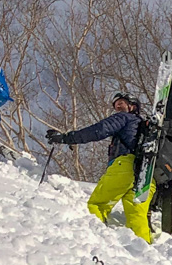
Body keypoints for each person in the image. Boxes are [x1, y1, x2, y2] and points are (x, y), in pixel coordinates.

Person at [46, 93, 154, 244]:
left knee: (97, 204)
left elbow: (99, 130)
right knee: (137, 215)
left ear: (132, 106)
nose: (117, 106)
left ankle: (95, 243)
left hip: (124, 166)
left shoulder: (125, 117)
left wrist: (67, 138)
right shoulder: (145, 128)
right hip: (145, 173)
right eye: (116, 104)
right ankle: (143, 250)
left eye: (122, 103)